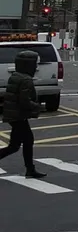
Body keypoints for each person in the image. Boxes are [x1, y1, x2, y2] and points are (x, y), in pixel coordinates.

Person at [0, 49, 47, 179]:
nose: (36, 67)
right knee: (27, 141)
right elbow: (24, 101)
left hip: (14, 115)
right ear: (28, 65)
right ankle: (30, 170)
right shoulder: (26, 80)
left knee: (14, 146)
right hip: (18, 116)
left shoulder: (15, 76)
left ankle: (30, 169)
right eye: (34, 64)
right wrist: (37, 107)